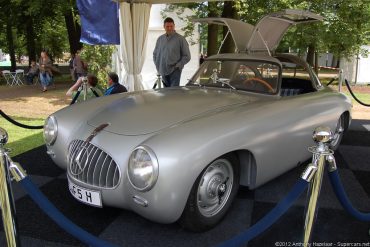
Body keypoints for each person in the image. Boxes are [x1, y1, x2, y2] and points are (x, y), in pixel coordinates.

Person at [153, 17, 191, 87]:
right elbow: (155, 54)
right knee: (165, 93)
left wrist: (178, 65)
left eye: (171, 26)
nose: (169, 28)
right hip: (163, 71)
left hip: (175, 71)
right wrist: (158, 66)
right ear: (164, 26)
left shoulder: (180, 39)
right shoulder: (160, 39)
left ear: (174, 26)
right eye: (167, 26)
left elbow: (187, 56)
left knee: (173, 93)